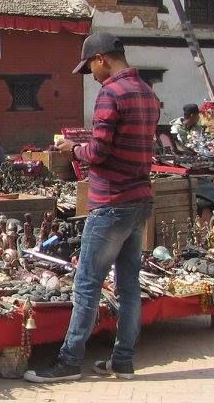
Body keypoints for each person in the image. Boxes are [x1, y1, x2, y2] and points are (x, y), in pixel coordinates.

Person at [27, 32, 160, 383]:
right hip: (139, 199)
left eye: (91, 67)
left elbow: (98, 152)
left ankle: (70, 361)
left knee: (87, 283)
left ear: (102, 58)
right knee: (129, 284)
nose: (92, 75)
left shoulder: (110, 93)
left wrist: (74, 149)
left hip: (110, 201)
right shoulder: (147, 92)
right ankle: (123, 360)